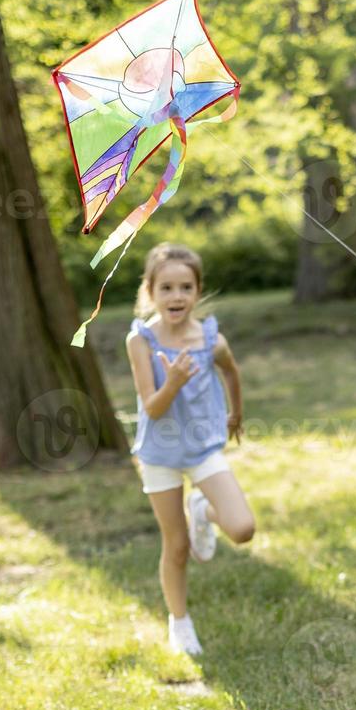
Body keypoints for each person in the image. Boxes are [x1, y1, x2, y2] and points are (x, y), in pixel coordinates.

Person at [125, 243, 254, 656]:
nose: (176, 296)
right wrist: (174, 382)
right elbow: (152, 405)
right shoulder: (141, 341)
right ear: (151, 292)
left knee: (242, 528)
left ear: (198, 292)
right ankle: (179, 623)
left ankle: (203, 509)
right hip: (159, 453)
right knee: (176, 545)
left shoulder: (211, 339)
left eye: (185, 287)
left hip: (201, 448)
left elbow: (231, 371)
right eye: (166, 288)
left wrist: (235, 413)